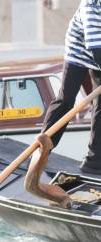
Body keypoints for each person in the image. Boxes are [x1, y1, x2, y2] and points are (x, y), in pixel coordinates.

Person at [41, 0, 101, 174]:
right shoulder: (92, 5)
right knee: (66, 100)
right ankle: (41, 151)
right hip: (79, 52)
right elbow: (96, 47)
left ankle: (94, 162)